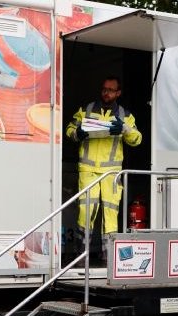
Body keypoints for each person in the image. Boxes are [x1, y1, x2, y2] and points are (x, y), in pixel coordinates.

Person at [65, 76, 142, 252]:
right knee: (86, 212)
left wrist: (125, 129)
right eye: (104, 89)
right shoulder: (87, 110)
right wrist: (77, 133)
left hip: (111, 172)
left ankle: (109, 258)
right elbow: (69, 129)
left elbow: (137, 139)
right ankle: (81, 255)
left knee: (110, 213)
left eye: (110, 90)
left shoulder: (125, 115)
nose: (106, 93)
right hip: (88, 169)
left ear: (118, 93)